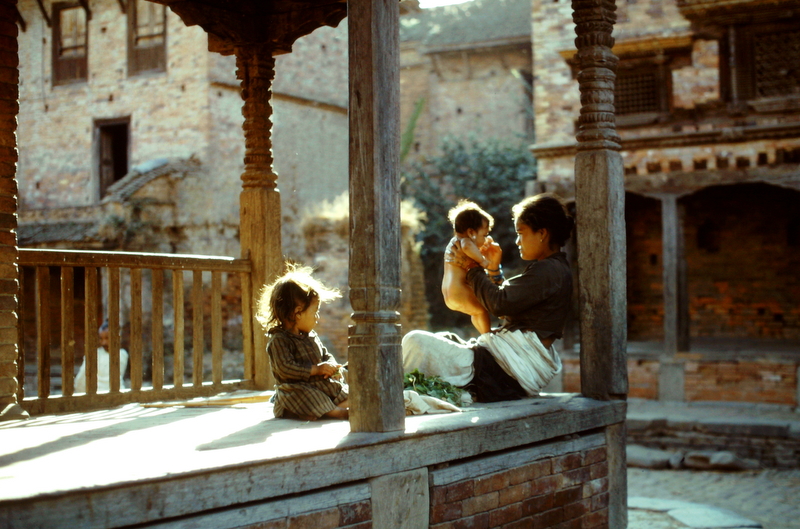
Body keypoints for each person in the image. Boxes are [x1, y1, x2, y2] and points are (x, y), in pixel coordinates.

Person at [403, 193, 574, 403]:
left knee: (415, 341)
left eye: (521, 233)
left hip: (503, 372)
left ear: (542, 233)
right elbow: (509, 300)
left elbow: (499, 303)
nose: (517, 241)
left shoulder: (549, 270)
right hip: (501, 366)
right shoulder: (552, 269)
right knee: (444, 338)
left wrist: (471, 267)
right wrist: (493, 270)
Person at [256, 263, 349, 420]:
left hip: (320, 384)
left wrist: (332, 367)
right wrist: (315, 370)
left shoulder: (310, 335)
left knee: (342, 389)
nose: (317, 317)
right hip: (296, 389)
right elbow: (285, 368)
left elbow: (325, 355)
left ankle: (331, 408)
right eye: (315, 312)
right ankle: (337, 412)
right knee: (307, 396)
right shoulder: (279, 340)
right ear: (297, 313)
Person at [442, 200, 495, 334]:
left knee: (476, 311)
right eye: (484, 235)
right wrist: (483, 261)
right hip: (460, 290)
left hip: (449, 293)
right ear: (471, 232)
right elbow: (467, 247)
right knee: (482, 309)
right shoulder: (465, 242)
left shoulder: (453, 243)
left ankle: (484, 333)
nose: (485, 239)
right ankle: (488, 334)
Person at [74, 320, 129, 393]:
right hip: (100, 394)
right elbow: (80, 380)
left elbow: (79, 382)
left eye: (107, 338)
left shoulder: (123, 354)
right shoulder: (95, 355)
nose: (104, 342)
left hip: (108, 395)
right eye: (101, 338)